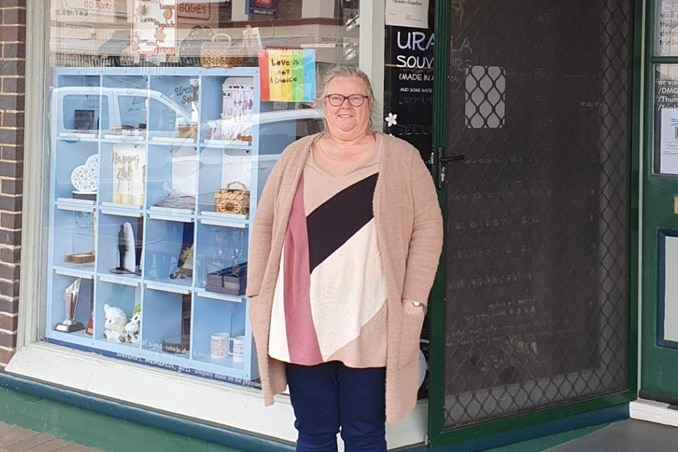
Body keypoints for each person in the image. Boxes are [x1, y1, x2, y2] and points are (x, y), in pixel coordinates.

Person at [247, 65, 443, 452]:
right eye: (336, 98)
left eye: (356, 98)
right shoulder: (295, 157)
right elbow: (266, 223)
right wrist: (258, 291)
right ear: (323, 105)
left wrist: (414, 299)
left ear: (369, 106)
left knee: (365, 432)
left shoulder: (400, 158)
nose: (345, 107)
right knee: (314, 433)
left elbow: (428, 228)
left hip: (370, 321)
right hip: (303, 319)